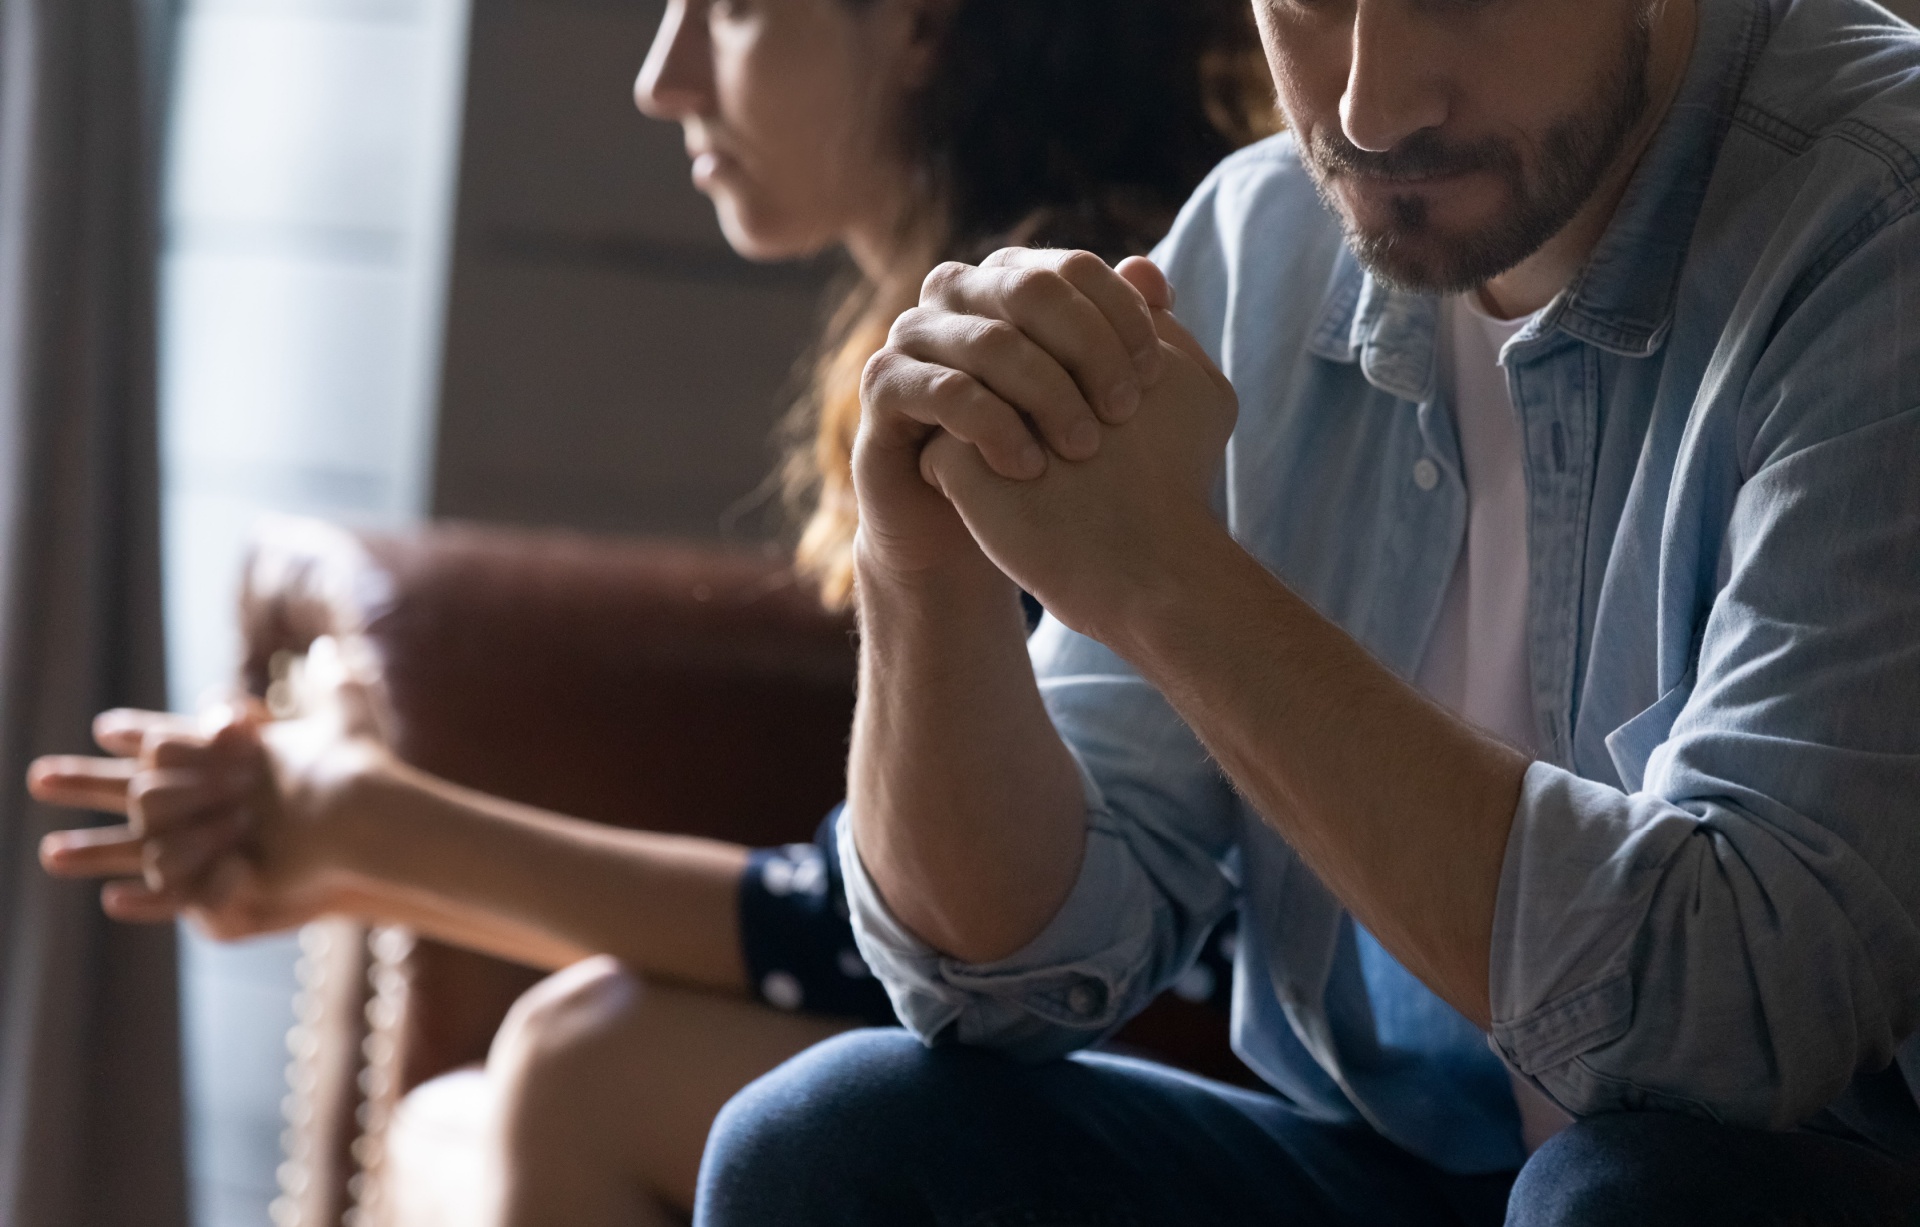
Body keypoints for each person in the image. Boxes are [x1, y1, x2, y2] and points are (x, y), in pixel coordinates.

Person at [25, 2, 1272, 1224]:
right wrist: (347, 846)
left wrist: (372, 834)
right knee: (473, 1126)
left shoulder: (1074, 349)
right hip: (1073, 1040)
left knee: (589, 1065)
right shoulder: (971, 324)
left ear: (921, 25)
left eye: (727, 10)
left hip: (1201, 1080)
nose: (662, 78)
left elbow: (910, 941)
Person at [682, 0, 1920, 1223]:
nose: (1373, 109)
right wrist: (923, 567)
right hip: (1418, 1168)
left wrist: (1174, 584)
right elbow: (997, 972)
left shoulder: (1879, 218)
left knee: (1641, 1197)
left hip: (1797, 1177)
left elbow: (1741, 1022)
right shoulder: (1263, 233)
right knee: (833, 1141)